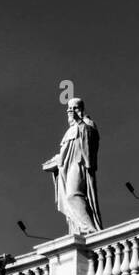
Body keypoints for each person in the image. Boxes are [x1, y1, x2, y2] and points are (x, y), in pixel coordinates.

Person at [43, 98, 102, 234]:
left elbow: (90, 139)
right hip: (67, 168)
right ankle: (79, 228)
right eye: (69, 109)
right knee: (70, 198)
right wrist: (55, 162)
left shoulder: (87, 123)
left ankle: (90, 229)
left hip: (79, 163)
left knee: (73, 195)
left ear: (81, 109)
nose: (71, 111)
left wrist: (79, 122)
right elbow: (64, 153)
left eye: (74, 108)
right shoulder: (71, 130)